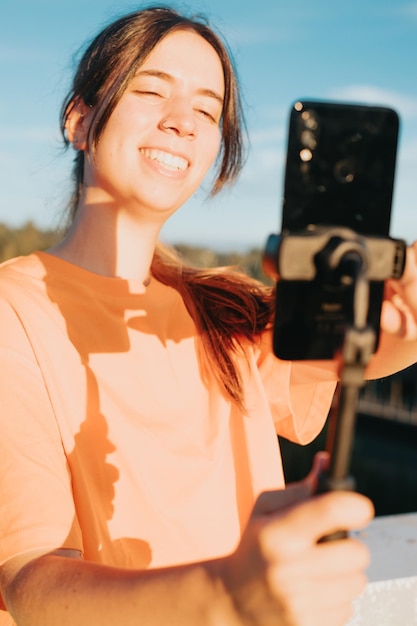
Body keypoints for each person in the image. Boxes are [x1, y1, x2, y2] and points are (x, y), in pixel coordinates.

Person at [0, 5, 416, 626]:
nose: (182, 124)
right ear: (80, 119)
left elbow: (381, 339)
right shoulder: (15, 310)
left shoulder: (227, 309)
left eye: (206, 110)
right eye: (150, 91)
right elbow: (31, 585)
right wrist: (225, 594)